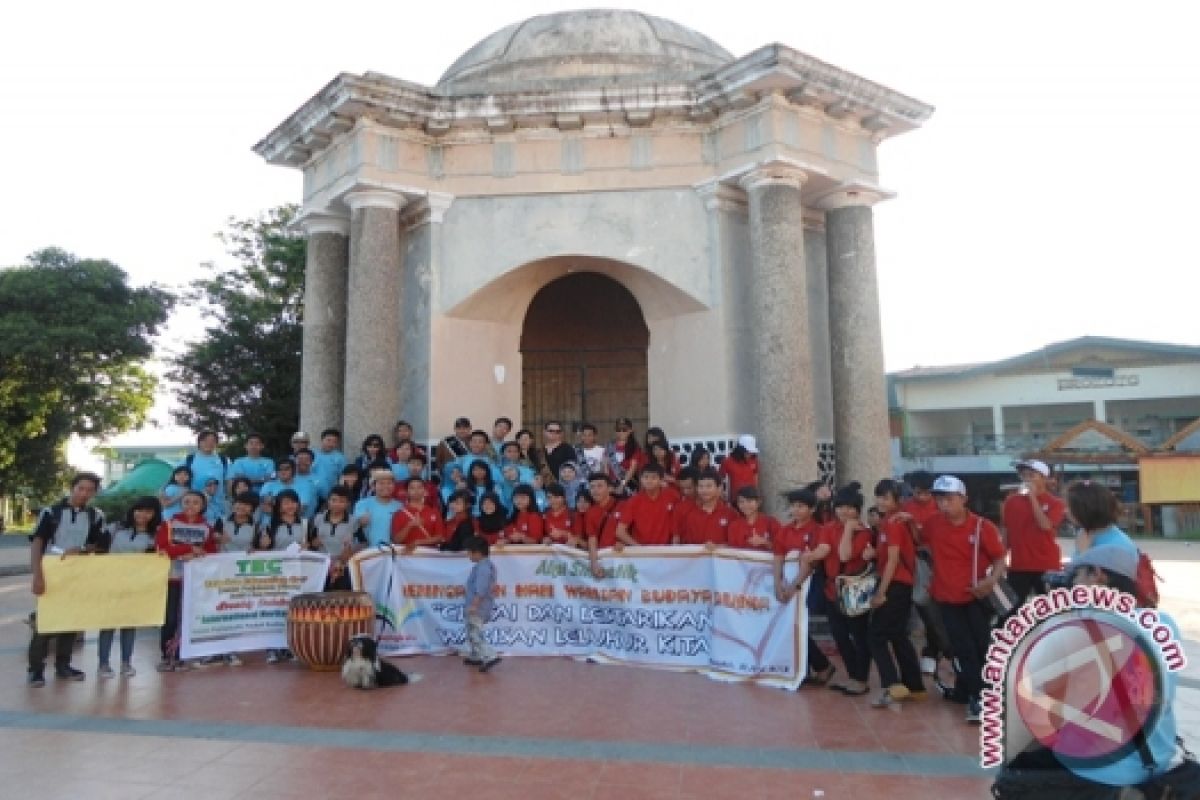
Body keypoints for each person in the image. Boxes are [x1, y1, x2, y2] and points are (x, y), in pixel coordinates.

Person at [993, 546, 1200, 798]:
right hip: (1158, 757)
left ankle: (1118, 790)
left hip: (1100, 770)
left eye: (1078, 576)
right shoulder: (1164, 623)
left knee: (1014, 773)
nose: (1073, 586)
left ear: (1098, 576)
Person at [920, 475, 1007, 724]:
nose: (944, 504)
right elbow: (919, 539)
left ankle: (981, 693)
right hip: (946, 598)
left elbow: (1000, 557)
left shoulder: (982, 526)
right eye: (940, 499)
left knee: (981, 647)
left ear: (963, 499)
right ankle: (977, 697)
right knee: (963, 649)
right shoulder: (933, 524)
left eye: (949, 499)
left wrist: (991, 581)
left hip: (976, 596)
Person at [28, 472, 107, 686]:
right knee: (45, 623)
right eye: (81, 488)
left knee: (71, 620)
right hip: (51, 571)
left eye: (90, 490)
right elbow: (37, 542)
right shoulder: (51, 512)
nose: (84, 493)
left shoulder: (96, 516)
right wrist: (37, 575)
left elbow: (100, 545)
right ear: (72, 488)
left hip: (78, 574)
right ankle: (35, 669)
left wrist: (82, 550)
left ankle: (63, 665)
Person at [867, 479, 925, 708]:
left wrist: (881, 593)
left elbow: (892, 560)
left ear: (897, 500)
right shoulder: (895, 522)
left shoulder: (893, 523)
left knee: (876, 636)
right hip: (901, 584)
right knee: (898, 635)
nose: (881, 502)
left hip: (895, 584)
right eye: (879, 497)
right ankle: (915, 686)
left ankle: (892, 684)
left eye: (886, 498)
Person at [773, 487, 836, 686]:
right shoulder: (785, 530)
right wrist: (778, 583)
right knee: (788, 625)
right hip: (788, 581)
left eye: (801, 506)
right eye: (793, 506)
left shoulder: (817, 531)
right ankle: (805, 667)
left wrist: (795, 585)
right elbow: (778, 557)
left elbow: (811, 563)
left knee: (799, 625)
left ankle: (822, 665)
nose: (796, 510)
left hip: (808, 582)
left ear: (811, 509)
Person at [97, 496, 160, 678]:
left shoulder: (154, 536)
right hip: (110, 583)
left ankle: (126, 663)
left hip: (135, 586)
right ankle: (103, 664)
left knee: (129, 624)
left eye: (148, 511)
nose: (142, 514)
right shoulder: (115, 529)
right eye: (139, 510)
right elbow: (99, 550)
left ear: (154, 514)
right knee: (107, 624)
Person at [155, 490, 217, 672]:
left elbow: (211, 552)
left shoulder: (206, 527)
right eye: (187, 502)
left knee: (187, 619)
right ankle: (167, 656)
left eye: (195, 502)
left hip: (194, 581)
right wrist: (188, 549)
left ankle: (183, 654)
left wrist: (200, 554)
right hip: (172, 578)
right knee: (170, 618)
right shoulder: (169, 524)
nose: (191, 506)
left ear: (202, 506)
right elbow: (162, 548)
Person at [824, 482, 874, 697]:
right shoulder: (827, 529)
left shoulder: (863, 532)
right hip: (832, 589)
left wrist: (847, 530)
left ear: (857, 509)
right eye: (840, 506)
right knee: (840, 635)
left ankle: (861, 679)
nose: (844, 511)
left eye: (850, 507)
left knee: (859, 635)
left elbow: (845, 555)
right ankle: (853, 675)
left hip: (855, 590)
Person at [901, 469, 951, 679]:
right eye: (917, 492)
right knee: (920, 609)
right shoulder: (905, 507)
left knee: (934, 613)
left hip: (937, 563)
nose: (921, 497)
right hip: (913, 564)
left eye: (926, 493)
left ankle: (933, 653)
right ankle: (929, 654)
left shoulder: (940, 507)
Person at [1002, 459, 1066, 604]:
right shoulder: (1011, 502)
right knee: (1011, 611)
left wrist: (1032, 498)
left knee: (1050, 609)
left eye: (1031, 475)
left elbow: (1045, 525)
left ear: (1043, 478)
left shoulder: (1055, 503)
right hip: (1019, 565)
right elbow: (1006, 532)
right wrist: (1001, 560)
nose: (1027, 479)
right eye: (1024, 475)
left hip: (1046, 565)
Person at [308, 486, 363, 590]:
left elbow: (363, 543)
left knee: (341, 598)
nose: (337, 504)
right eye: (334, 500)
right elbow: (310, 542)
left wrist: (352, 551)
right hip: (322, 566)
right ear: (328, 501)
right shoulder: (318, 518)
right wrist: (313, 543)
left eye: (342, 501)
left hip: (343, 566)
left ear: (348, 504)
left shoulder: (353, 521)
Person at [1067, 479, 1138, 556]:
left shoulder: (1116, 547)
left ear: (1085, 509)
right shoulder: (1085, 532)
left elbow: (1086, 567)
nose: (1065, 511)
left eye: (1069, 507)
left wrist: (1084, 553)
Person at [612, 464, 675, 547]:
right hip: (642, 554)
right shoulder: (633, 501)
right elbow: (620, 531)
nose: (649, 481)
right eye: (646, 477)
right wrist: (638, 547)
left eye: (653, 477)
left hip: (666, 552)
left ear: (661, 480)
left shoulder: (672, 496)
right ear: (641, 479)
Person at [463, 536, 501, 672]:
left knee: (475, 632)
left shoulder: (483, 568)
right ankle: (476, 655)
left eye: (469, 552)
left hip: (479, 606)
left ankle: (490, 655)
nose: (468, 555)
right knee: (471, 630)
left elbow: (481, 588)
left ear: (477, 553)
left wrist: (474, 605)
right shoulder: (483, 566)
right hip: (478, 605)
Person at [680, 469, 738, 547]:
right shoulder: (691, 516)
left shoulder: (731, 514)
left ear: (719, 488)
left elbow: (736, 544)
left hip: (722, 558)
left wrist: (717, 547)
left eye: (709, 486)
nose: (704, 490)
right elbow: (688, 546)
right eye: (701, 486)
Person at [584, 473, 623, 578]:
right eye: (592, 487)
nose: (595, 490)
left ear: (610, 489)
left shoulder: (623, 506)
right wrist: (594, 563)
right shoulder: (590, 512)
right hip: (604, 560)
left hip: (623, 559)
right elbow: (592, 539)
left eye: (599, 486)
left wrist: (624, 543)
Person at [391, 477, 445, 551]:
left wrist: (418, 542)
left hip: (430, 556)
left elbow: (439, 537)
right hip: (408, 557)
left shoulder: (434, 511)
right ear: (406, 492)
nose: (416, 491)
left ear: (425, 491)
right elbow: (396, 540)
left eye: (419, 487)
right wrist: (409, 525)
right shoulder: (399, 514)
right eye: (412, 488)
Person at [354, 470, 404, 548]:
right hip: (370, 552)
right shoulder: (362, 504)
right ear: (373, 487)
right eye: (381, 483)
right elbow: (359, 523)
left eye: (389, 483)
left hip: (394, 551)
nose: (386, 486)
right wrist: (362, 521)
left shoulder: (400, 506)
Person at [727, 486, 779, 552]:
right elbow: (731, 551)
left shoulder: (771, 522)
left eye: (749, 501)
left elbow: (783, 548)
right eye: (741, 502)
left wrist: (765, 542)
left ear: (758, 502)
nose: (745, 505)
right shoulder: (734, 526)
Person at [606, 418, 645, 496]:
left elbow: (632, 468)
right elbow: (606, 467)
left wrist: (622, 485)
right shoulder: (610, 446)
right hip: (612, 484)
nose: (621, 432)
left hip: (628, 484)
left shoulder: (634, 447)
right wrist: (607, 484)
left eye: (624, 429)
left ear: (630, 430)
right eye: (618, 429)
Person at [719, 435, 760, 499]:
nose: (750, 454)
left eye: (751, 452)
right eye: (747, 452)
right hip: (736, 498)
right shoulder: (727, 461)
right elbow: (720, 479)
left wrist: (757, 492)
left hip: (752, 497)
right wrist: (722, 494)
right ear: (740, 450)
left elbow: (755, 476)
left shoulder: (754, 460)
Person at [313, 429, 347, 497]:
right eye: (328, 440)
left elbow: (343, 477)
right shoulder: (312, 454)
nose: (331, 444)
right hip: (312, 493)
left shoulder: (340, 458)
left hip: (329, 495)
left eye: (334, 442)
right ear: (322, 440)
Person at [671, 467, 699, 545]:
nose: (685, 492)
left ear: (698, 484)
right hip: (687, 550)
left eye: (689, 488)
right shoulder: (679, 507)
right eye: (682, 488)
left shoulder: (710, 503)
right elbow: (676, 535)